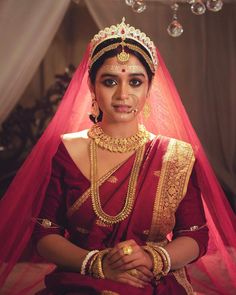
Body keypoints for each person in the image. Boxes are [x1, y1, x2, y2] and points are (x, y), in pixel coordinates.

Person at [0, 19, 235, 295]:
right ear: (91, 86)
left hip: (152, 279)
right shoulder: (68, 150)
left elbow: (195, 235)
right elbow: (46, 234)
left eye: (135, 81)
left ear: (149, 89)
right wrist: (98, 265)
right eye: (110, 81)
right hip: (80, 279)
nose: (123, 94)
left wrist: (151, 258)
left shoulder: (175, 156)